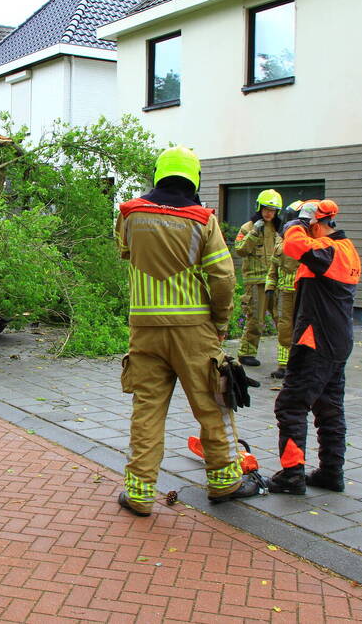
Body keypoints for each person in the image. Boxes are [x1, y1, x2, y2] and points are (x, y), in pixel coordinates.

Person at [115, 146, 267, 514]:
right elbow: (224, 276)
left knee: (147, 410)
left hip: (145, 328)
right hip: (193, 330)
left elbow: (126, 255)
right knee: (214, 406)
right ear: (194, 178)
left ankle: (138, 493)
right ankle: (224, 482)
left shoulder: (129, 214)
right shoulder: (203, 220)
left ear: (158, 175)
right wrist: (219, 322)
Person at [267, 199, 361, 495]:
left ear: (316, 224)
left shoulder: (327, 251)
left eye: (308, 225)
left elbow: (294, 246)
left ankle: (292, 475)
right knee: (330, 409)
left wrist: (298, 221)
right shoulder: (345, 249)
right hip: (337, 340)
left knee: (291, 405)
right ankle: (332, 473)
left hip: (314, 342)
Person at [234, 190, 283, 366]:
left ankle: (288, 356)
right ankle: (246, 354)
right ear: (259, 208)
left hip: (276, 281)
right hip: (256, 281)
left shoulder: (280, 229)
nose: (269, 213)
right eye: (266, 209)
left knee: (281, 318)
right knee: (256, 319)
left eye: (273, 210)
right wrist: (255, 232)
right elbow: (240, 250)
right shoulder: (248, 227)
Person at [266, 200, 303, 379]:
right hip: (284, 293)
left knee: (302, 328)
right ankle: (283, 365)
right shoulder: (280, 241)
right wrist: (269, 288)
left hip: (303, 292)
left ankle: (299, 364)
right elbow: (273, 269)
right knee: (284, 328)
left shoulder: (308, 242)